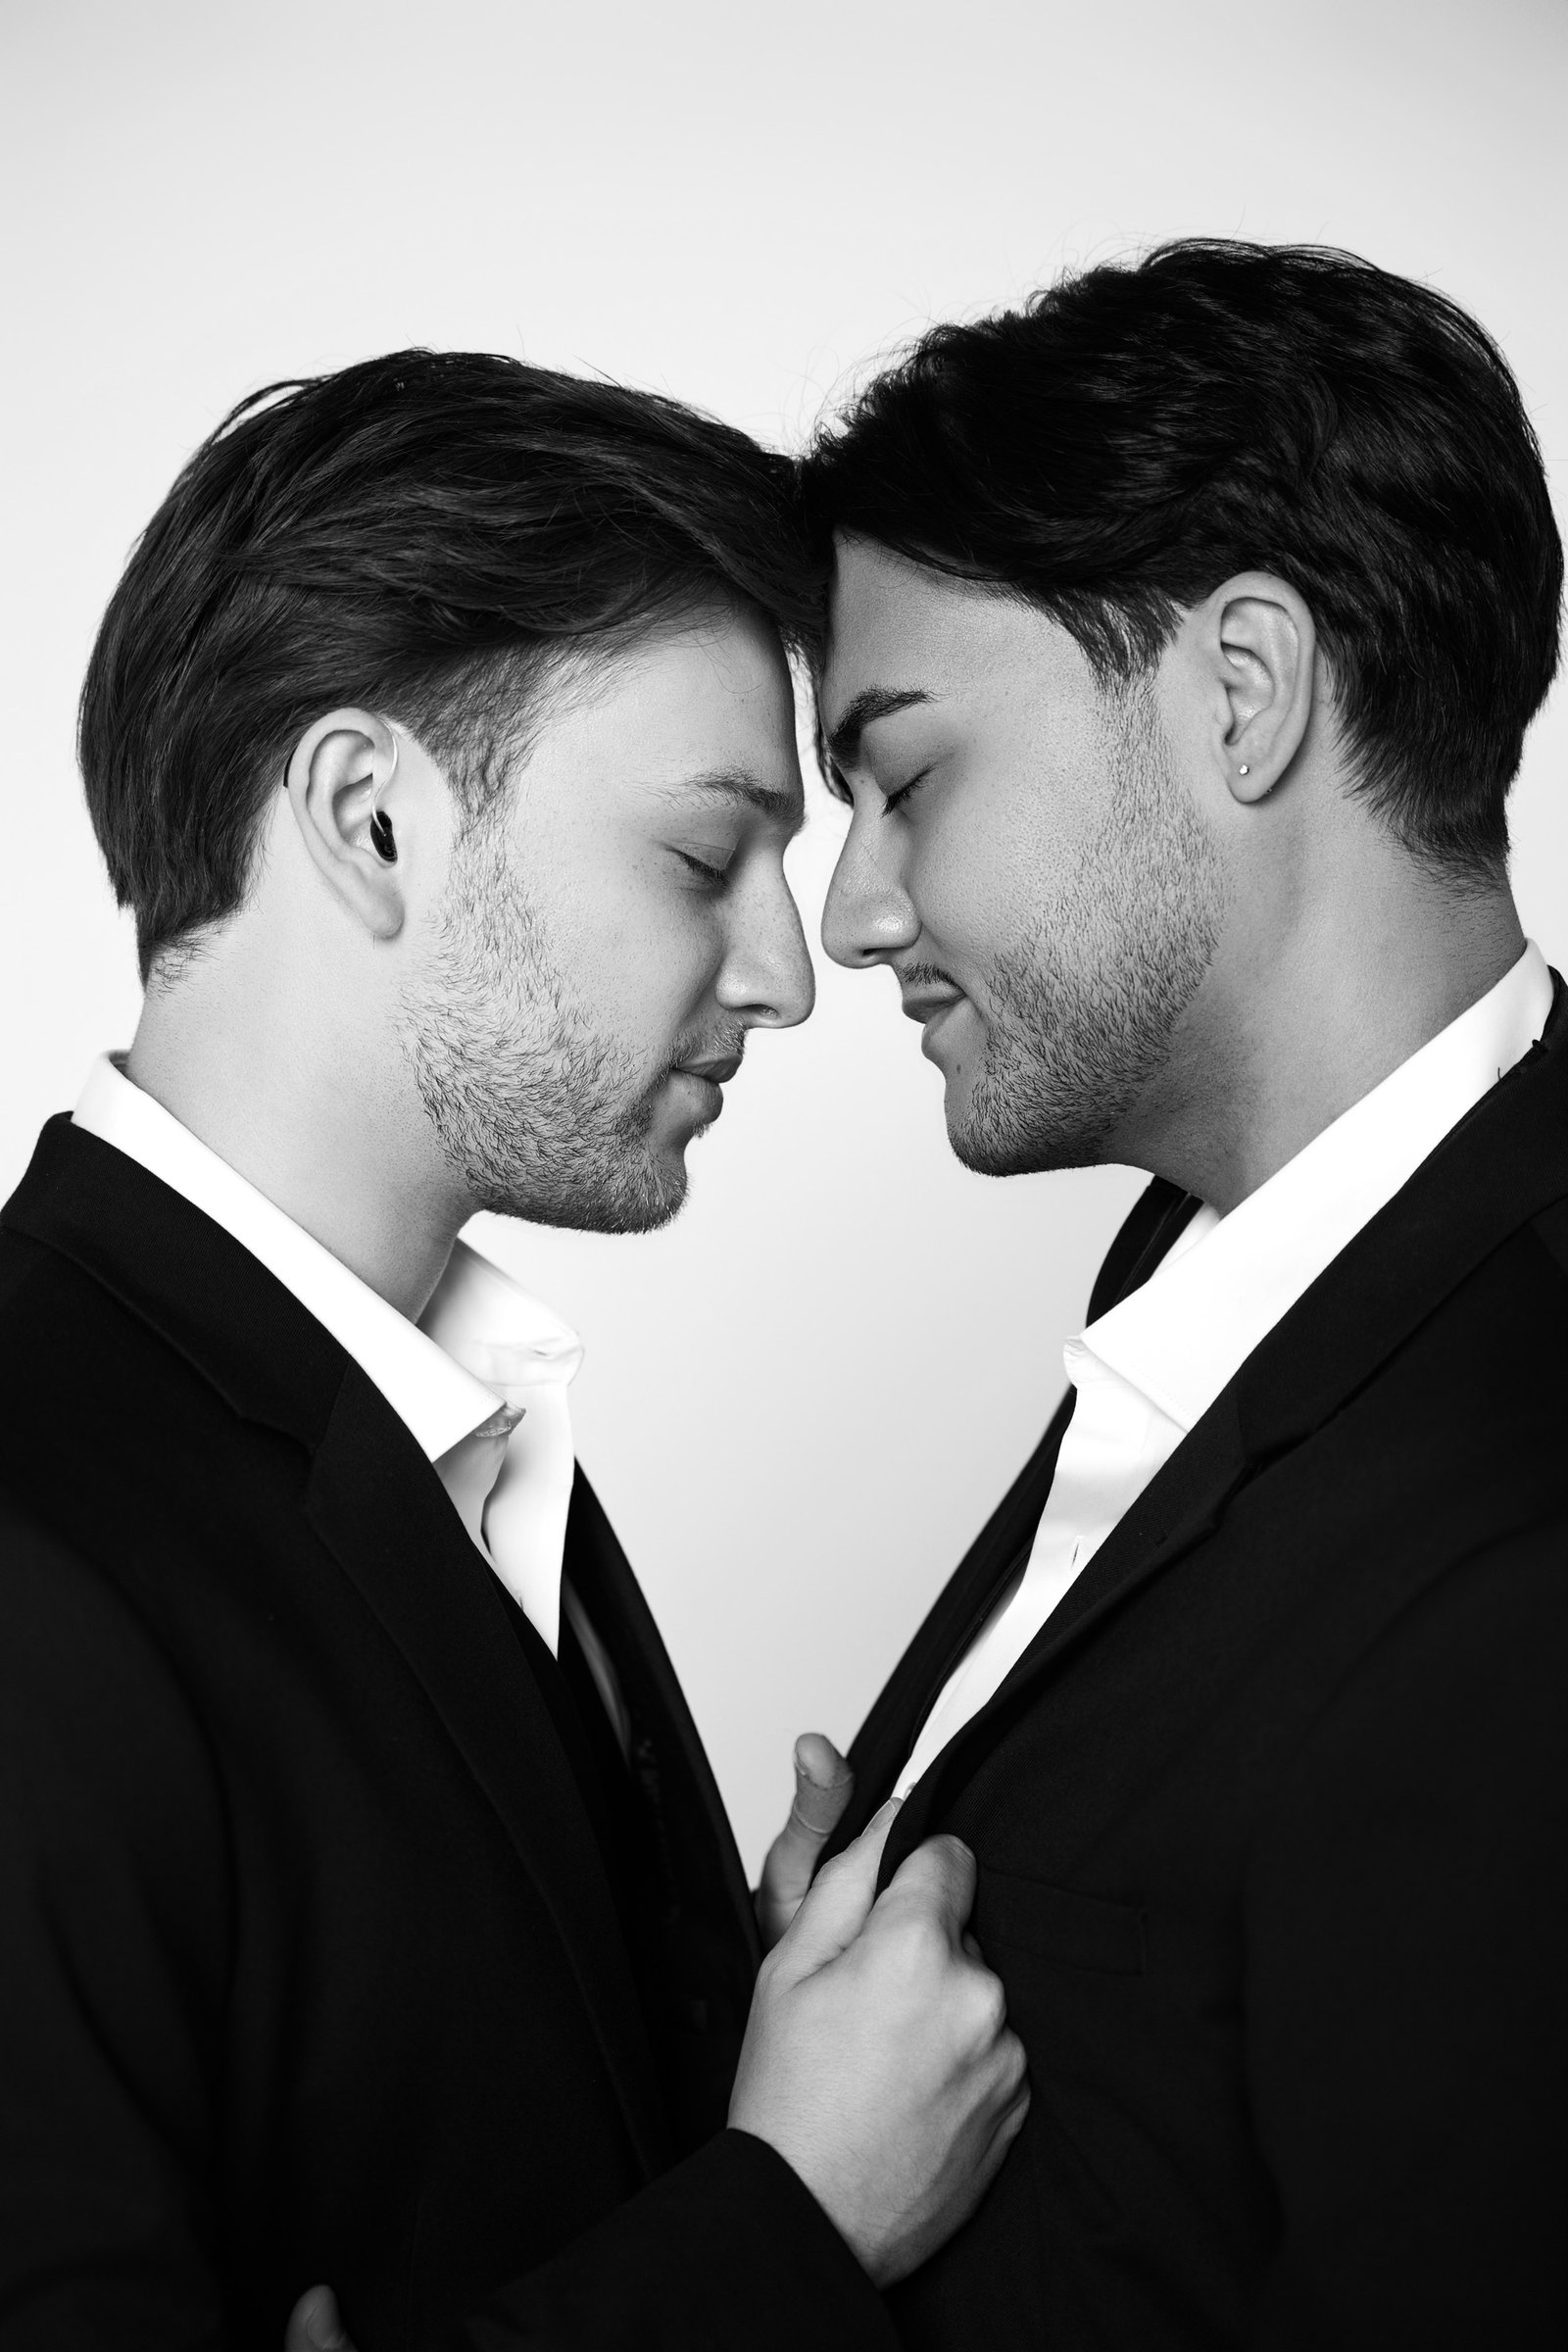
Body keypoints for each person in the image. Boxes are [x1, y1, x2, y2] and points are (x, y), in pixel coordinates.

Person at [0, 352, 1028, 2348]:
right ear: (370, 818)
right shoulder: (33, 1544)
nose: (788, 973)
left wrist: (710, 2014)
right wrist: (789, 2214)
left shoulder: (444, 1429)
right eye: (701, 855)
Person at [793, 240, 1568, 2345]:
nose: (851, 913)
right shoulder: (1218, 1272)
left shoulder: (1520, 1513)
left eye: (906, 776)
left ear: (1240, 690)